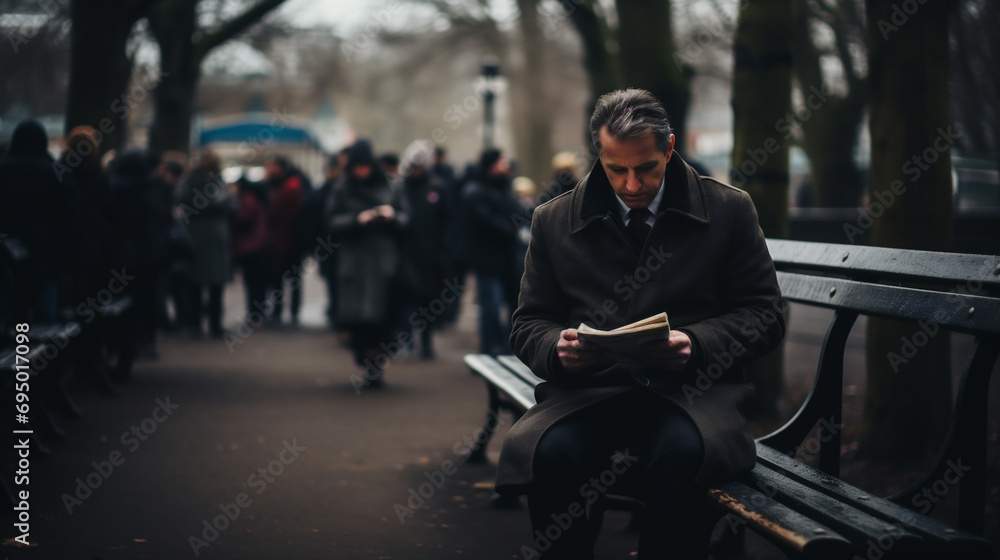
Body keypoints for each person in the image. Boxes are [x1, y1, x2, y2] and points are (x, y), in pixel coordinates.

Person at [495, 89, 785, 559]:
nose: (631, 185)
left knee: (685, 456)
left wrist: (697, 344)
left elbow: (765, 315)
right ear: (599, 155)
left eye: (646, 168)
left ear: (669, 149)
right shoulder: (553, 220)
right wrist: (557, 348)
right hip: (586, 396)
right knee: (549, 453)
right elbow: (529, 321)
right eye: (616, 169)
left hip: (692, 396)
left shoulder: (729, 209)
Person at [327, 140, 408, 388]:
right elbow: (331, 221)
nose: (361, 172)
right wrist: (357, 219)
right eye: (357, 167)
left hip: (384, 261)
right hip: (355, 262)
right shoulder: (342, 188)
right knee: (358, 322)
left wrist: (392, 216)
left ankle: (376, 367)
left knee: (384, 320)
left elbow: (406, 217)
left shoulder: (390, 186)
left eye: (365, 167)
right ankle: (366, 363)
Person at [462, 148, 523, 356]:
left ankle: (504, 346)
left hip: (506, 258)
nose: (506, 166)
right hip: (487, 260)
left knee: (510, 304)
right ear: (492, 164)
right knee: (491, 306)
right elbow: (484, 221)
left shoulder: (503, 187)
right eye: (501, 162)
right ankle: (489, 349)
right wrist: (510, 227)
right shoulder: (476, 191)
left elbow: (518, 212)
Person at [177, 150, 235, 338]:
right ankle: (195, 324)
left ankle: (215, 324)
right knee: (196, 285)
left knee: (215, 287)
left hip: (216, 239)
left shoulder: (218, 182)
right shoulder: (191, 181)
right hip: (197, 237)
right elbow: (185, 201)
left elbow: (230, 204)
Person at [399, 148, 447, 359]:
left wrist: (444, 253)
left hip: (430, 256)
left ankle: (426, 344)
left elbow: (448, 222)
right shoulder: (400, 189)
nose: (416, 171)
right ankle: (407, 341)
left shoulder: (437, 188)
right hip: (406, 254)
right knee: (406, 300)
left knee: (428, 302)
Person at [263, 155, 305, 325]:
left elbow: (279, 212)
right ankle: (285, 310)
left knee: (286, 277)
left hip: (289, 239)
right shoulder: (286, 184)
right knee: (284, 278)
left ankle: (286, 311)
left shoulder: (290, 186)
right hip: (285, 238)